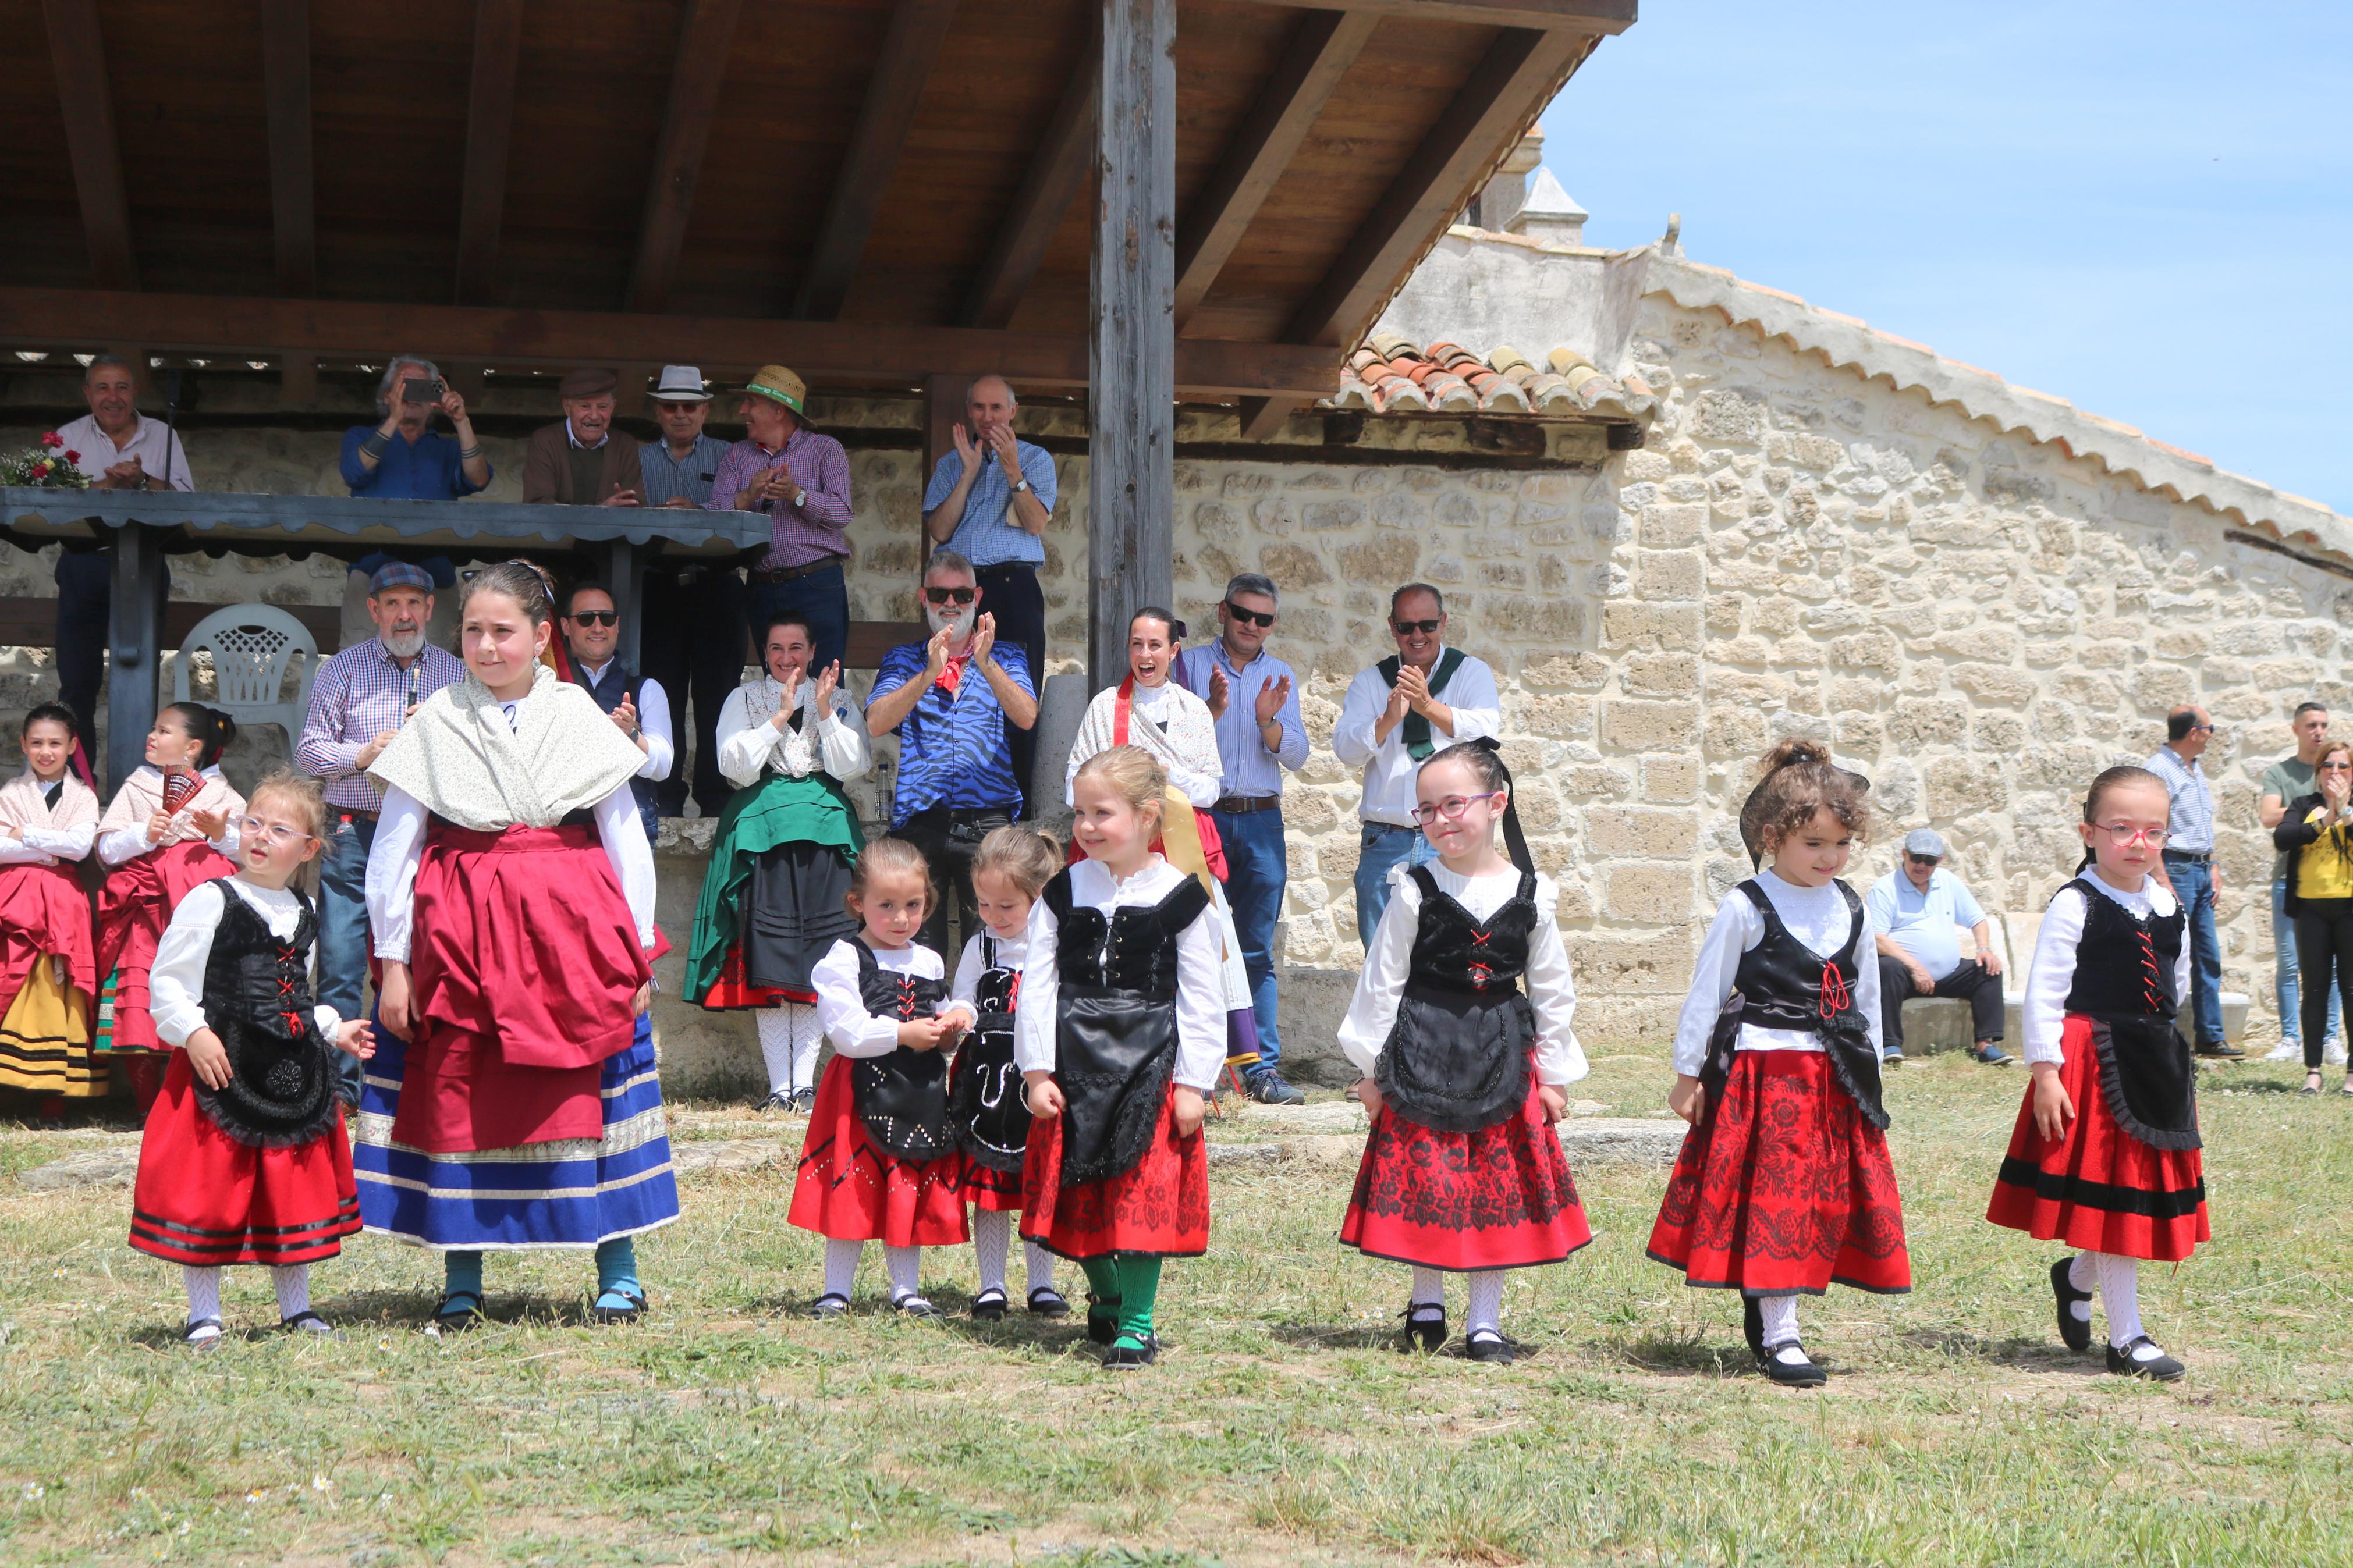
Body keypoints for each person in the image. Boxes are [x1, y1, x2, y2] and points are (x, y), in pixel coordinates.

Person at [359, 562, 677, 1330]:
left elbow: (625, 839)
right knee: (460, 1093)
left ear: (542, 636)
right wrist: (395, 963)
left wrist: (636, 950)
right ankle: (461, 1277)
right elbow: (394, 851)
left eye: (504, 630)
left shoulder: (577, 716)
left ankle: (619, 1272)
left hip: (575, 937)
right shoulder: (436, 718)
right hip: (460, 940)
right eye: (473, 629)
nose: (486, 644)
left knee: (593, 1089)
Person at [1647, 739, 1910, 1388]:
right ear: (1774, 836)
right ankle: (1781, 1331)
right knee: (1775, 1198)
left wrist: (1867, 1071)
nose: (1829, 858)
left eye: (1841, 844)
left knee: (1815, 1200)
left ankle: (1770, 1310)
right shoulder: (1745, 904)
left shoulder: (1851, 904)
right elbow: (1707, 991)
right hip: (1763, 1073)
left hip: (1830, 1076)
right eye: (1814, 844)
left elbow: (1865, 996)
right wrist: (1688, 1074)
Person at [1338, 739, 1590, 1364]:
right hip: (1422, 1046)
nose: (1440, 819)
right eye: (1426, 809)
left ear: (1495, 802)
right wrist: (1372, 1070)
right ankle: (1426, 1299)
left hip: (1500, 1051)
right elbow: (1382, 979)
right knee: (1427, 1177)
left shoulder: (1532, 891)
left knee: (1490, 1188)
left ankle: (1484, 1320)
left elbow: (1552, 987)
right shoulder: (1413, 887)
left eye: (1453, 803)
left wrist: (1554, 1074)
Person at [127, 771, 375, 1346]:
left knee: (290, 1190)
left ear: (309, 848)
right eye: (253, 823)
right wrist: (193, 1032)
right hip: (223, 1070)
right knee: (210, 1189)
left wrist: (334, 1029)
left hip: (292, 1075)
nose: (260, 835)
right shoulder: (211, 898)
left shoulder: (303, 906)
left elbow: (294, 996)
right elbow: (168, 980)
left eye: (280, 828)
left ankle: (297, 1307)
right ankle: (204, 1313)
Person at [1988, 766, 2205, 1382]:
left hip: (2153, 1063)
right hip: (2090, 1063)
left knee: (2130, 1199)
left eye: (2153, 831)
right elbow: (2044, 993)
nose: (2138, 842)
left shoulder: (2168, 907)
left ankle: (2076, 1276)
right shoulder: (2074, 903)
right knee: (2116, 1198)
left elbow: (2176, 986)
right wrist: (2046, 1072)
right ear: (2089, 831)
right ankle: (2127, 1337)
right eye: (2121, 828)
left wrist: (2173, 1064)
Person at [1018, 746, 1225, 1370]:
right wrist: (1034, 1070)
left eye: (1100, 812)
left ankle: (1137, 1322)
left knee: (1139, 1201)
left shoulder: (1182, 896)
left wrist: (1193, 1082)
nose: (1084, 826)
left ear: (1146, 816)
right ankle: (1105, 1292)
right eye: (1078, 812)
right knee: (1075, 1200)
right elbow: (1036, 984)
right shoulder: (1061, 891)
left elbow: (1201, 997)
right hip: (1073, 1063)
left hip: (1150, 1065)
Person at [682, 615, 870, 1112]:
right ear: (763, 653)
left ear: (812, 650)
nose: (786, 657)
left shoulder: (841, 698)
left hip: (825, 834)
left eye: (796, 648)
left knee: (816, 956)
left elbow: (852, 766)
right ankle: (778, 1087)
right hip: (763, 833)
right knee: (770, 959)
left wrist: (825, 711)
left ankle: (804, 1086)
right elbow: (733, 766)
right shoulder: (742, 700)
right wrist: (777, 718)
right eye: (775, 649)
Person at [1064, 607, 1262, 1076]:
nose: (1145, 654)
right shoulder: (1104, 706)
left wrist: (1165, 775)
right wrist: (1120, 782)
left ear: (1173, 651)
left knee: (1199, 943)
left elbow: (1213, 789)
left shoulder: (1193, 709)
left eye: (1155, 645)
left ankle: (1199, 1064)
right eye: (1136, 644)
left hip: (1181, 842)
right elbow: (1070, 780)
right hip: (1121, 846)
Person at [296, 561, 465, 1107]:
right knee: (343, 964)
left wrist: (436, 736)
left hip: (425, 836)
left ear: (430, 610)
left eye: (413, 603)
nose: (403, 615)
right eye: (391, 604)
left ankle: (410, 1085)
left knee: (421, 960)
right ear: (373, 611)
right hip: (353, 832)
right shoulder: (341, 670)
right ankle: (343, 1090)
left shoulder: (455, 675)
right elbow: (310, 752)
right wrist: (364, 753)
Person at [789, 838, 970, 1317]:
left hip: (920, 1090)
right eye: (886, 906)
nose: (901, 918)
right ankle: (836, 1289)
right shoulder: (842, 959)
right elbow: (847, 1032)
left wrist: (948, 1029)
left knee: (905, 1181)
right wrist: (903, 1033)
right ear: (857, 903)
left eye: (913, 905)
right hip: (860, 1090)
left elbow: (937, 1023)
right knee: (853, 1186)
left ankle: (905, 1287)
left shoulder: (928, 961)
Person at [1175, 574, 1309, 1107]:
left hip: (1259, 822)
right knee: (1194, 944)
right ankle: (1198, 1065)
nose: (1252, 625)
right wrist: (1207, 709)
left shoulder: (1280, 675)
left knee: (1255, 949)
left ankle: (1261, 1068)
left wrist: (1267, 722)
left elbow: (1295, 754)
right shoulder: (1186, 667)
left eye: (1264, 618)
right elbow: (1171, 743)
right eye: (1242, 613)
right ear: (1222, 612)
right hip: (1199, 821)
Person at [864, 549, 1038, 959]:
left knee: (991, 949)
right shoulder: (904, 659)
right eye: (940, 594)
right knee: (918, 955)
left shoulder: (1007, 655)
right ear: (924, 597)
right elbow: (875, 722)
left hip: (987, 822)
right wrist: (928, 672)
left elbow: (1027, 716)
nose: (950, 604)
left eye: (961, 595)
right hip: (922, 823)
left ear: (976, 598)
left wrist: (986, 662)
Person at [93, 705, 246, 1113]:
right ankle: (147, 1102)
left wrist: (219, 835)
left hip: (198, 908)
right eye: (154, 728)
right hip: (146, 903)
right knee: (138, 988)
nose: (152, 736)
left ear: (192, 747)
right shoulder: (139, 786)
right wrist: (144, 835)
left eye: (163, 730)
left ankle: (191, 1098)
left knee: (200, 987)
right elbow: (106, 848)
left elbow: (248, 851)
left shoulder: (223, 794)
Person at [1333, 585, 1500, 950]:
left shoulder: (1470, 673)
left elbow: (1488, 730)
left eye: (1427, 624)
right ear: (1393, 628)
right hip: (1386, 838)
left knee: (1453, 955)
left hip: (1451, 838)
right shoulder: (1371, 682)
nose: (1418, 635)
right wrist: (1388, 720)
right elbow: (1346, 750)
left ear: (1443, 623)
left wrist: (1427, 707)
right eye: (1407, 627)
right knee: (1381, 959)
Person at [946, 824, 1068, 1321]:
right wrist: (958, 1013)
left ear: (1038, 898)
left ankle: (1042, 1283)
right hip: (989, 1084)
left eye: (1007, 907)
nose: (993, 917)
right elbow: (963, 994)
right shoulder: (982, 947)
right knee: (992, 1187)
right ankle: (991, 1285)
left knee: (1039, 1183)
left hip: (1038, 1078)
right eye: (984, 905)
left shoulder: (1056, 943)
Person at [922, 375, 1056, 790]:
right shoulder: (951, 463)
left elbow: (1035, 522)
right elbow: (940, 531)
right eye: (979, 407)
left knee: (1016, 690)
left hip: (1014, 586)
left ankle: (1014, 801)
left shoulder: (1035, 459)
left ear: (1013, 412)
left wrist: (1012, 469)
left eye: (996, 408)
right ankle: (957, 793)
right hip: (959, 593)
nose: (987, 416)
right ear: (968, 411)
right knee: (954, 688)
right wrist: (968, 474)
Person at [52, 354, 187, 742]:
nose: (113, 397)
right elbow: (53, 505)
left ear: (135, 393)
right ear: (87, 394)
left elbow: (187, 499)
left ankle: (137, 788)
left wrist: (143, 478)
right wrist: (108, 487)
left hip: (144, 564)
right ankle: (80, 787)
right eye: (103, 387)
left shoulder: (163, 434)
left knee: (141, 679)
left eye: (122, 387)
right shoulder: (67, 437)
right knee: (77, 684)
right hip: (83, 564)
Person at [637, 364, 748, 822]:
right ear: (657, 411)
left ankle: (715, 797)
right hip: (657, 585)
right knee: (660, 692)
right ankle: (663, 797)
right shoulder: (637, 459)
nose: (680, 414)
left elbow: (748, 514)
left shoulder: (732, 456)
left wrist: (698, 512)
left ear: (705, 410)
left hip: (717, 583)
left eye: (689, 406)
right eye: (670, 406)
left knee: (718, 694)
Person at [709, 365, 854, 675]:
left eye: (751, 403)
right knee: (775, 685)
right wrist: (748, 496)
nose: (742, 410)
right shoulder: (737, 456)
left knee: (824, 683)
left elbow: (842, 513)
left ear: (778, 410)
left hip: (815, 584)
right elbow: (715, 519)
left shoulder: (825, 449)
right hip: (761, 587)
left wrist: (797, 495)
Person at [0, 706, 102, 1103]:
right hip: (16, 899)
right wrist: (47, 851)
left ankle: (54, 1097)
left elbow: (78, 847)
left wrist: (26, 835)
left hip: (63, 904)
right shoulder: (10, 793)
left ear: (72, 746)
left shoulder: (82, 797)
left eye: (56, 743)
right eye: (38, 742)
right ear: (24, 744)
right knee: (16, 974)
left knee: (60, 982)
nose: (46, 751)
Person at [1867, 828, 2010, 1068]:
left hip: (1949, 973)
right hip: (1906, 974)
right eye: (1917, 858)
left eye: (1930, 860)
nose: (1922, 865)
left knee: (1989, 968)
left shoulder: (1948, 881)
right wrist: (1914, 967)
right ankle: (1890, 1045)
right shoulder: (1885, 888)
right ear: (1904, 854)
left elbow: (1977, 919)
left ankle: (1985, 1045)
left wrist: (1983, 949)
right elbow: (1878, 938)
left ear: (1939, 861)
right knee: (1887, 968)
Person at [2145, 706, 2239, 1059]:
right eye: (2209, 728)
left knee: (2207, 956)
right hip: (2176, 870)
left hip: (2200, 871)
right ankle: (2160, 1032)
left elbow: (2201, 827)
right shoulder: (2158, 771)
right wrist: (2162, 879)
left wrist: (2213, 864)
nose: (2213, 734)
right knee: (2169, 953)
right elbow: (2153, 829)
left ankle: (2211, 1037)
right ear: (2194, 733)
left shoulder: (2195, 770)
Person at [2259, 702, 2343, 1065]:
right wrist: (2312, 808)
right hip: (2290, 880)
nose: (2319, 731)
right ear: (2296, 729)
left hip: (2338, 887)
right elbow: (2269, 817)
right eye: (2311, 725)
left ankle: (2329, 1040)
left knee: (2337, 968)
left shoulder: (2339, 768)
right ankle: (2291, 1038)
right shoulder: (2280, 772)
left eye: (2324, 725)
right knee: (2291, 963)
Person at [2269, 738, 2353, 1097]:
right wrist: (2328, 818)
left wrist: (2345, 811)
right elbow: (2284, 837)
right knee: (2315, 990)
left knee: (2351, 989)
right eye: (2328, 766)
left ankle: (2351, 1074)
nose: (2335, 773)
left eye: (2343, 766)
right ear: (2318, 773)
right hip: (2310, 909)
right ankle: (2313, 1071)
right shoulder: (2305, 805)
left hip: (2349, 908)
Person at [562, 582, 673, 845]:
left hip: (629, 829)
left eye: (607, 618)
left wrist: (632, 736)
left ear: (618, 624)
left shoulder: (646, 689)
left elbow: (664, 766)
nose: (598, 628)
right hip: (564, 830)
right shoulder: (549, 686)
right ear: (566, 627)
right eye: (586, 618)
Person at [339, 356, 492, 500]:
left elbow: (479, 480)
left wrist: (462, 421)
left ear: (434, 401)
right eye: (406, 386)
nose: (414, 396)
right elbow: (354, 474)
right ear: (387, 397)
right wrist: (394, 418)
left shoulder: (449, 449)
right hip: (376, 528)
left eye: (423, 389)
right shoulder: (360, 436)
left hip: (436, 529)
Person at [521, 368, 644, 506]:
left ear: (613, 407)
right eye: (585, 407)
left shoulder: (625, 445)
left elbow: (635, 507)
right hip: (557, 528)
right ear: (567, 408)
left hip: (611, 529)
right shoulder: (545, 441)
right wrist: (600, 513)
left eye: (603, 407)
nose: (594, 416)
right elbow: (538, 504)